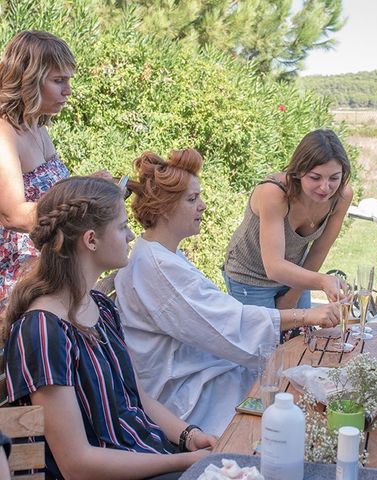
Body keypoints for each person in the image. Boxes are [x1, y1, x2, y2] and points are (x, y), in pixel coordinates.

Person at [3, 177, 217, 479]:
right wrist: (184, 462)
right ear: (91, 240)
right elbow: (76, 464)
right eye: (122, 226)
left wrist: (189, 436)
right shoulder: (42, 331)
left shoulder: (100, 307)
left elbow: (138, 399)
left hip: (145, 455)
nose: (131, 235)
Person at [115, 149, 339, 437]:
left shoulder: (161, 256)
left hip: (202, 373)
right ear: (165, 209)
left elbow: (220, 318)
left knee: (299, 389)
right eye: (192, 199)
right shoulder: (157, 267)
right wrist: (306, 316)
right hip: (187, 396)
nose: (203, 206)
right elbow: (227, 323)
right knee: (295, 407)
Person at [223, 129, 353, 316]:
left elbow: (319, 251)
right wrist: (323, 281)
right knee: (263, 343)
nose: (325, 187)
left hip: (294, 276)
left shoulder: (341, 196)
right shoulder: (274, 193)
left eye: (334, 177)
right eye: (315, 177)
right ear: (299, 172)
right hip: (250, 278)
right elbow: (274, 266)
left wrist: (293, 295)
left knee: (300, 342)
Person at [0, 30, 76, 316]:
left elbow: (52, 190)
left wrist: (87, 186)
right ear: (27, 80)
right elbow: (13, 214)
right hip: (14, 288)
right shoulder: (4, 134)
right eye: (58, 81)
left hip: (44, 273)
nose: (67, 90)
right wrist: (78, 210)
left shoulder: (37, 127)